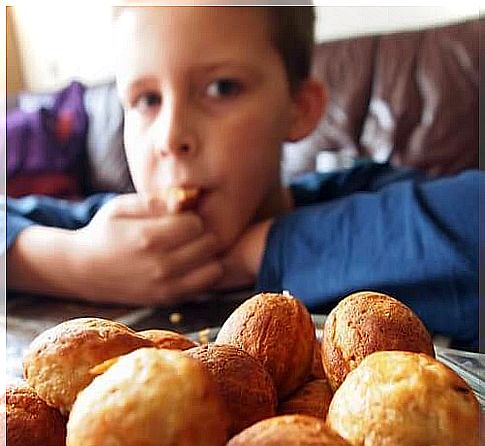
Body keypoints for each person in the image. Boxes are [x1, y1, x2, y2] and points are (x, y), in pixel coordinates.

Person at [6, 6, 480, 351]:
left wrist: (254, 251)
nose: (170, 137)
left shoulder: (366, 199)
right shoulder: (118, 229)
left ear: (299, 108)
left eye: (221, 88)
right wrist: (78, 261)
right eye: (147, 99)